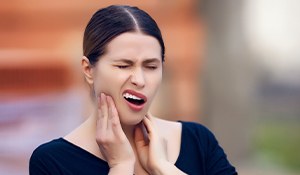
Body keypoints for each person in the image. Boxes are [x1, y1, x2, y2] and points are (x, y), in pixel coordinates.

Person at [29, 5, 237, 175]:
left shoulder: (197, 140)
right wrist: (121, 166)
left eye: (151, 66)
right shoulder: (51, 161)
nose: (139, 80)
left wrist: (163, 169)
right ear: (88, 69)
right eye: (123, 65)